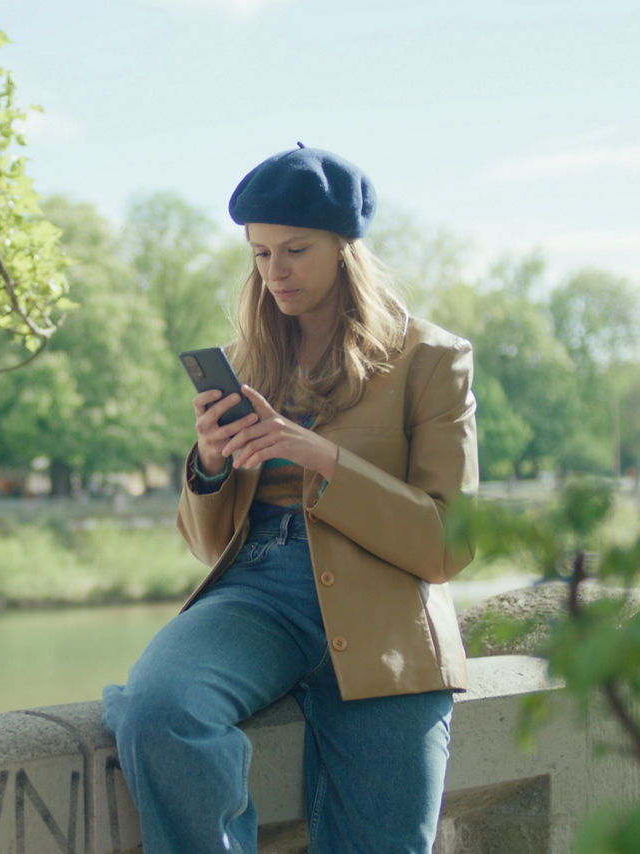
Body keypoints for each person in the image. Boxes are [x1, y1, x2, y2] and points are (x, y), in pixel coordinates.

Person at [102, 143, 478, 853]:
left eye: (294, 250)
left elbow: (447, 545)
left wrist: (319, 457)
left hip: (387, 615)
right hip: (256, 596)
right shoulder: (245, 363)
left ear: (344, 249)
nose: (275, 271)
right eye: (260, 254)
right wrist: (211, 462)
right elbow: (212, 547)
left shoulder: (432, 360)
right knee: (157, 709)